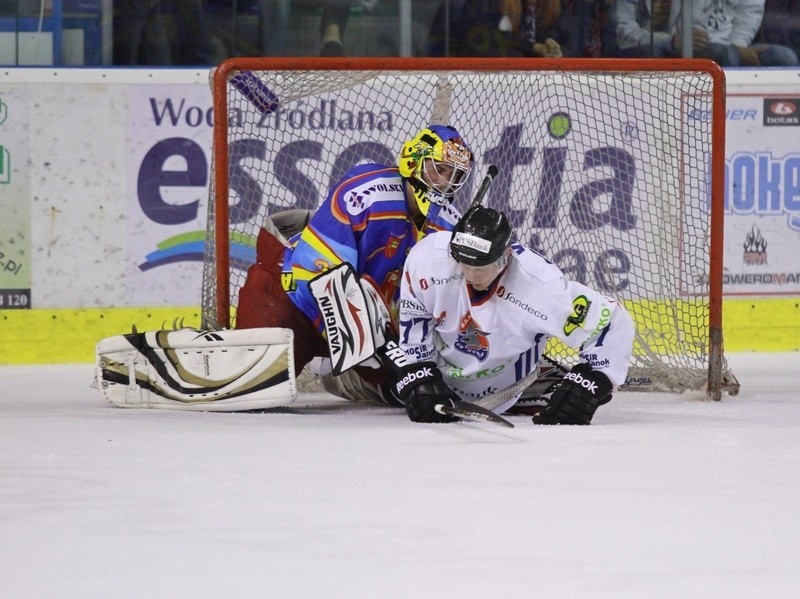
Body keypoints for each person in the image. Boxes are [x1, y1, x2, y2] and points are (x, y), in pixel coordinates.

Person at [235, 124, 473, 392]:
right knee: (251, 385)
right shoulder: (369, 190)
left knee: (408, 388)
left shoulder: (448, 224)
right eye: (439, 168)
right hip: (294, 300)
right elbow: (318, 271)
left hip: (366, 321)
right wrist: (378, 344)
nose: (444, 181)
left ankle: (342, 376)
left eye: (455, 174)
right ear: (413, 160)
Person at [387, 204, 635, 425]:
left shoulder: (539, 286)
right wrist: (418, 370)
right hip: (440, 380)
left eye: (481, 266)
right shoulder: (426, 262)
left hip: (506, 392)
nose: (472, 276)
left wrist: (594, 381)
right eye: (465, 264)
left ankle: (541, 381)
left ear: (505, 255)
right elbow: (415, 323)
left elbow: (612, 322)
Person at [427, 0, 564, 57]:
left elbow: (570, 42)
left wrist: (552, 45)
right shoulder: (488, 3)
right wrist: (534, 47)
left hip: (538, 86)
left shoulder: (554, 7)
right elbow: (481, 37)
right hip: (484, 84)